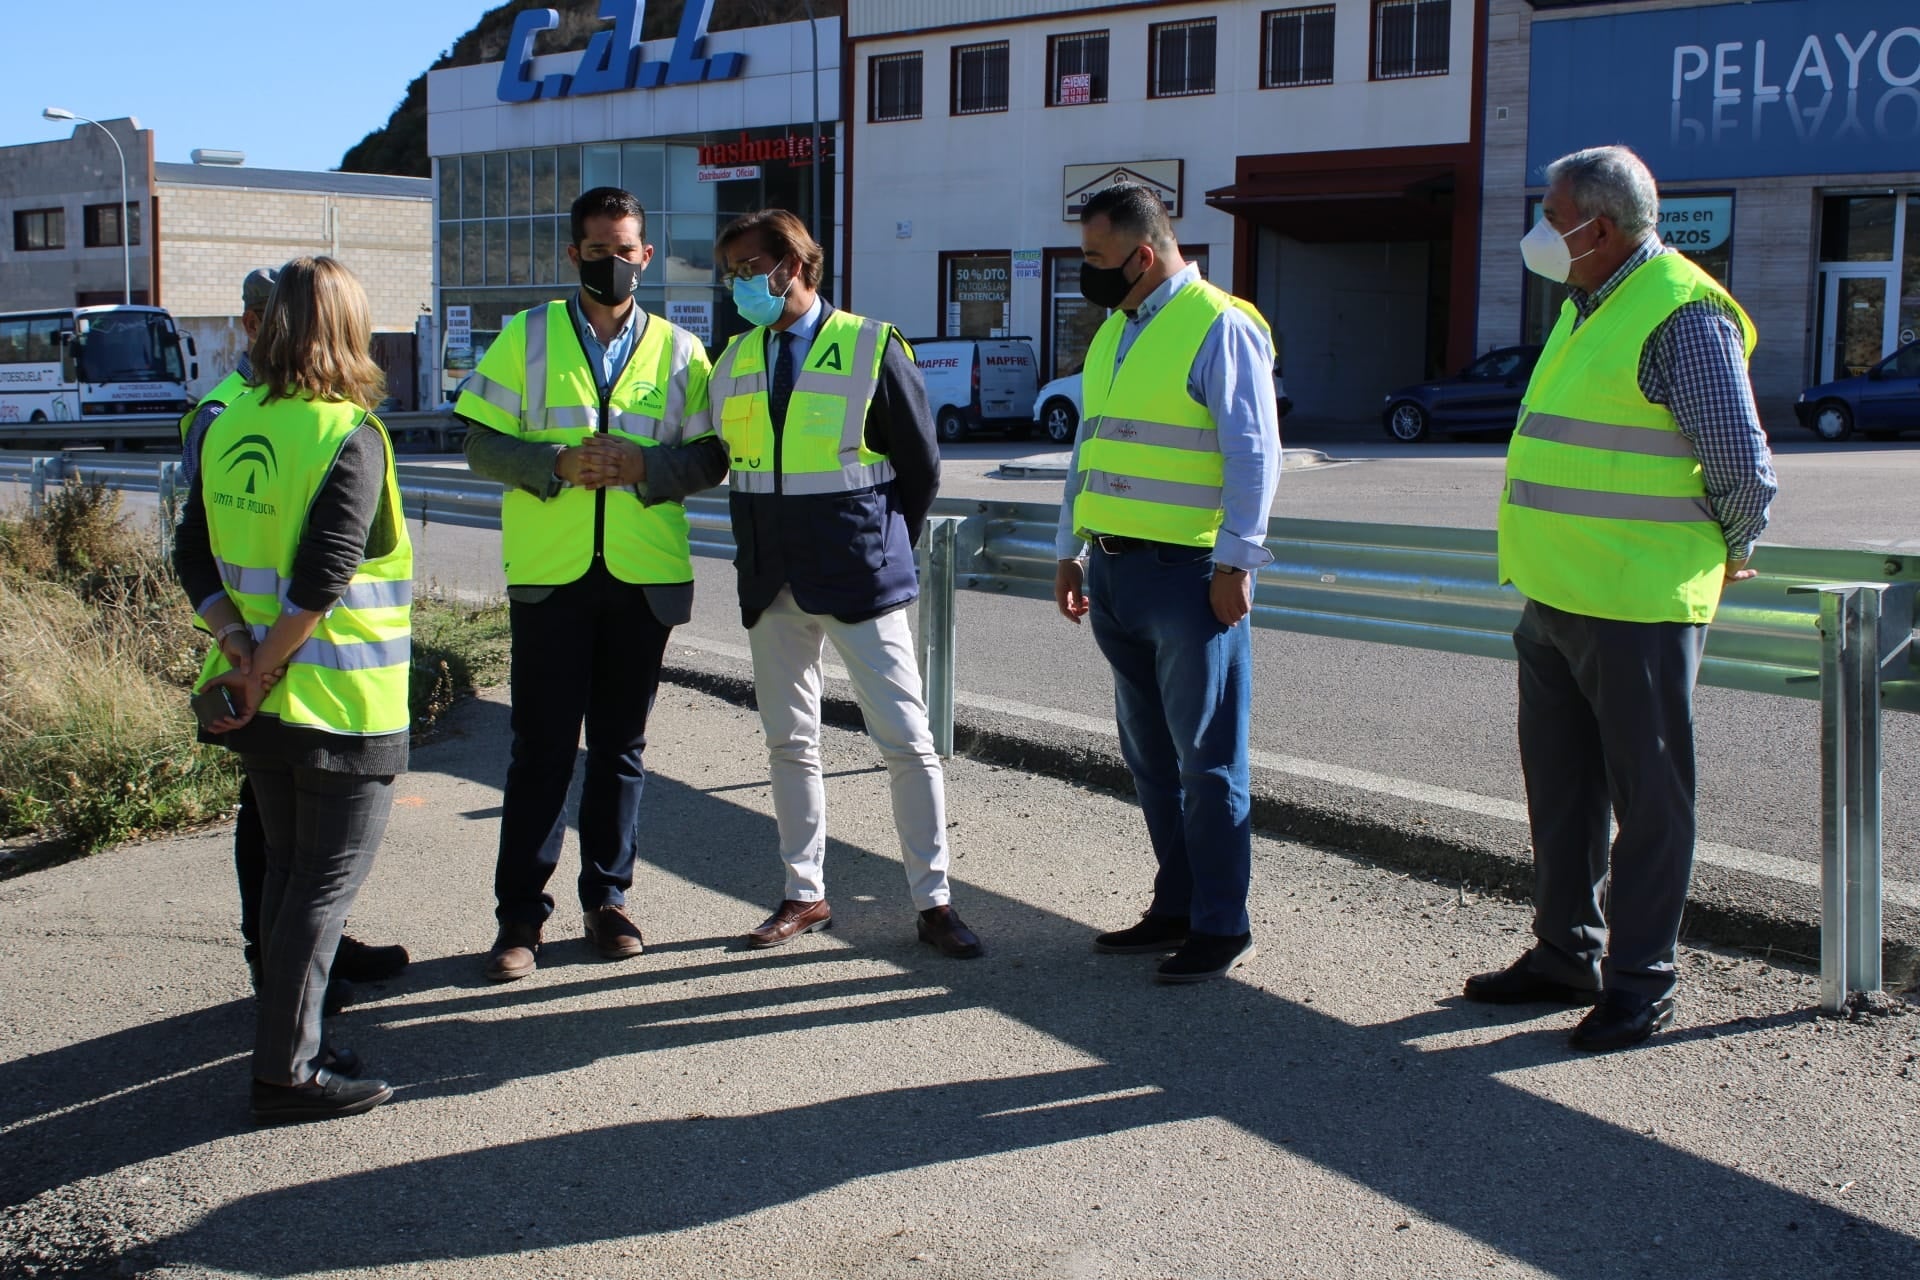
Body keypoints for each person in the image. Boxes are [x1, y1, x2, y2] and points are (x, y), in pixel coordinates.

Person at [1464, 145, 1778, 1052]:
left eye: (1549, 213)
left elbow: (1742, 468)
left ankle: (1640, 985)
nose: (1538, 230)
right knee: (1562, 794)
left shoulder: (1679, 313)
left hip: (1637, 603)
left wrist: (1732, 548)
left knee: (1650, 807)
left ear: (1595, 230)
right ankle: (1566, 954)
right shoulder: (1588, 302)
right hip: (1559, 594)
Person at [457, 187, 726, 981]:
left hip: (642, 578)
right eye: (600, 249)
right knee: (540, 751)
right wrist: (553, 465)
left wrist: (648, 468)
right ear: (574, 255)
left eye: (629, 248)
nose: (616, 261)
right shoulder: (527, 336)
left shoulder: (682, 351)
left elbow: (713, 457)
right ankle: (519, 921)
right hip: (551, 577)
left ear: (647, 253)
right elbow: (477, 441)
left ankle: (607, 901)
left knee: (620, 750)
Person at [174, 256, 412, 1123]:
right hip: (340, 707)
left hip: (256, 703)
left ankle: (292, 1043)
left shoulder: (233, 417)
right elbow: (326, 577)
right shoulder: (345, 432)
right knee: (319, 888)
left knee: (285, 875)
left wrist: (238, 650)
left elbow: (191, 552)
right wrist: (269, 660)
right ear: (348, 328)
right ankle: (286, 1073)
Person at [709, 208, 983, 959]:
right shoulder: (732, 360)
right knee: (788, 742)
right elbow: (720, 458)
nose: (737, 284)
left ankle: (934, 902)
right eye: (729, 271)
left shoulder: (869, 344)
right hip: (770, 580)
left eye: (748, 268)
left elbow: (919, 467)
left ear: (792, 267)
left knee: (905, 741)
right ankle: (804, 895)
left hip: (859, 574)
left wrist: (882, 543)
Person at [1051, 183, 1282, 985]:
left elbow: (1254, 453)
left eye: (1095, 258)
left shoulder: (1220, 324)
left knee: (1207, 760)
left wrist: (1236, 563)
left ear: (1143, 256)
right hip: (1115, 570)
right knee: (1151, 758)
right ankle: (1177, 905)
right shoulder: (1118, 328)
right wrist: (1071, 547)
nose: (1087, 272)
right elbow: (1092, 447)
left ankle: (1222, 923)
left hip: (1189, 577)